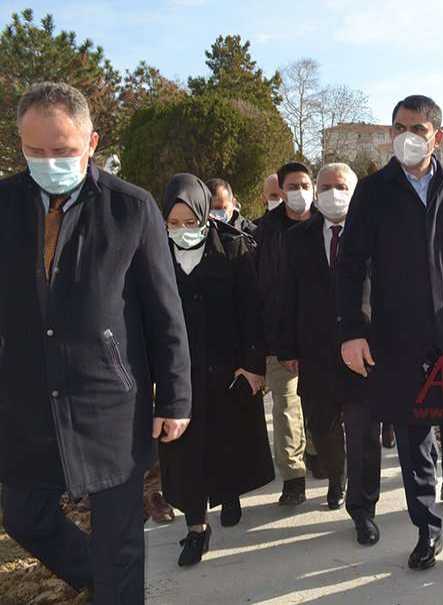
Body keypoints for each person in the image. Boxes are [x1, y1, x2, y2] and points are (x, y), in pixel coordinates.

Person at [0, 82, 192, 602]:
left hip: (110, 404)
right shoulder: (6, 205)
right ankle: (94, 575)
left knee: (120, 544)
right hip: (26, 402)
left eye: (62, 150)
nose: (48, 162)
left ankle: (112, 584)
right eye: (34, 151)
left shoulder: (131, 208)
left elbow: (163, 312)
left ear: (91, 142)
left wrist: (174, 398)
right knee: (24, 514)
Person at [338, 95, 443, 573]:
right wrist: (352, 331)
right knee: (414, 442)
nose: (406, 136)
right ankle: (426, 531)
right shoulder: (374, 191)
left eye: (416, 127)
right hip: (398, 339)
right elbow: (350, 266)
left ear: (438, 134)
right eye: (398, 127)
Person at [159, 174, 273, 567]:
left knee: (227, 443)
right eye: (173, 224)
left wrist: (253, 366)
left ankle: (230, 494)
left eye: (190, 222)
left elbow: (252, 312)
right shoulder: (154, 255)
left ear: (204, 215)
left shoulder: (234, 248)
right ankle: (195, 529)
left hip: (227, 369)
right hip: (179, 374)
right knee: (186, 454)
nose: (182, 231)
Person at [277, 163, 382, 544]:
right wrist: (288, 346)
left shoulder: (372, 234)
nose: (331, 192)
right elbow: (287, 295)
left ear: (353, 192)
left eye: (340, 186)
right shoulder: (298, 238)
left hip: (363, 350)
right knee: (322, 427)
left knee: (363, 431)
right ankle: (337, 475)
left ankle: (363, 508)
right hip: (315, 352)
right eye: (325, 186)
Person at [254, 162, 313, 506]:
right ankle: (294, 476)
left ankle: (320, 456)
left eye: (304, 185)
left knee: (320, 407)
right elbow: (263, 287)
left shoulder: (327, 225)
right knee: (287, 407)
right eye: (290, 187)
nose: (297, 193)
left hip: (322, 340)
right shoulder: (266, 232)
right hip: (280, 340)